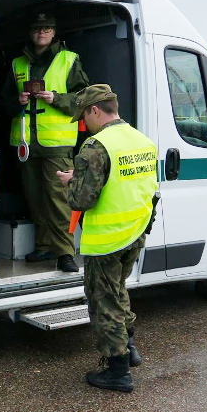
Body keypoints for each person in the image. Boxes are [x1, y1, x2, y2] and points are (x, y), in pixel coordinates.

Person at [56, 84, 159, 392]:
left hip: (107, 239)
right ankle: (130, 348)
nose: (83, 124)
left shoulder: (95, 147)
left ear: (96, 110)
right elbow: (124, 182)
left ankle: (118, 372)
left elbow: (81, 200)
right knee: (118, 289)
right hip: (136, 231)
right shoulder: (142, 140)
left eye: (84, 117)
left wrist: (71, 182)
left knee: (104, 302)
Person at [2, 12, 89, 272]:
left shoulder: (69, 59)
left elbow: (84, 99)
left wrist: (57, 98)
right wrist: (15, 101)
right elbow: (3, 100)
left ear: (54, 33)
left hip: (57, 144)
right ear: (31, 33)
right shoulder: (17, 63)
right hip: (26, 143)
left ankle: (65, 252)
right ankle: (44, 247)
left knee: (58, 199)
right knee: (35, 197)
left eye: (47, 28)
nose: (42, 32)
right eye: (37, 28)